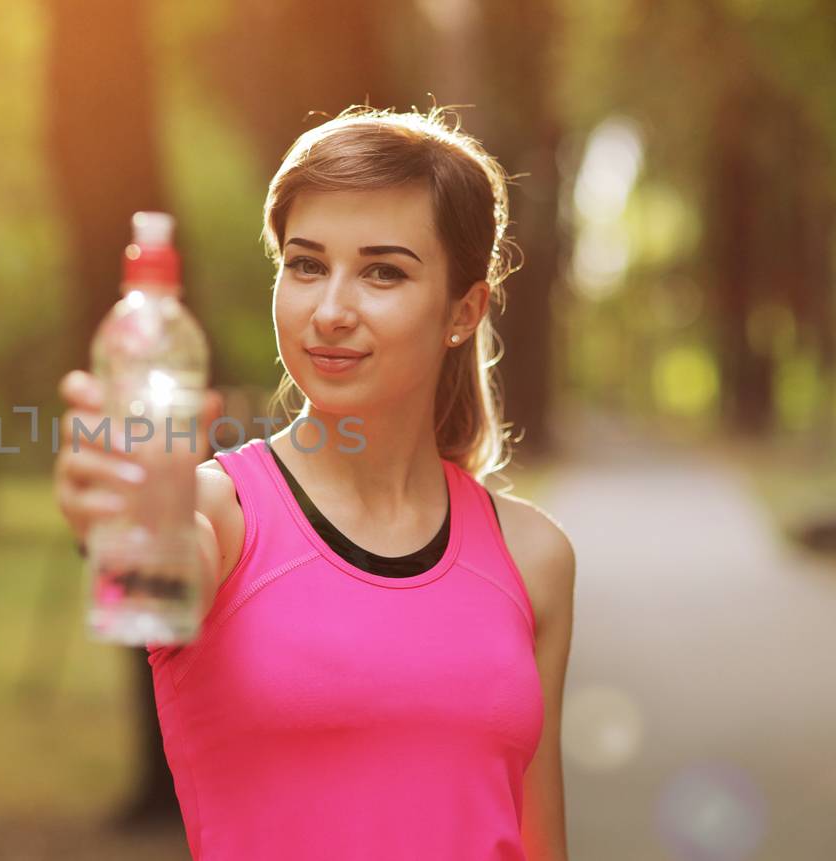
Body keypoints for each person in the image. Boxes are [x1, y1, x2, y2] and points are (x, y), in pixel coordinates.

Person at [54, 104, 575, 860]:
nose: (330, 310)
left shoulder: (535, 558)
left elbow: (541, 843)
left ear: (463, 311)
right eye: (305, 264)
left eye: (382, 271)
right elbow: (160, 563)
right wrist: (120, 511)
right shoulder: (221, 513)